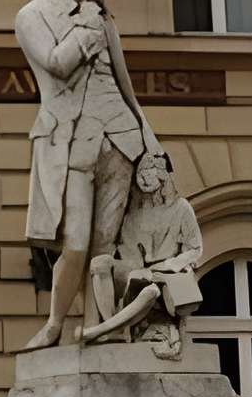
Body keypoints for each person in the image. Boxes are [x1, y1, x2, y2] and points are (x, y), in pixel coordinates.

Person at [17, 0, 152, 349]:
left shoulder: (101, 17)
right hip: (71, 140)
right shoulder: (33, 15)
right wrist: (86, 31)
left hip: (120, 137)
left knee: (105, 246)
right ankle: (55, 323)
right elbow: (56, 64)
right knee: (75, 242)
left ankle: (98, 328)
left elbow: (125, 85)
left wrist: (150, 139)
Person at [83, 145, 205, 355]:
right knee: (100, 264)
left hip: (167, 274)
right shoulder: (133, 215)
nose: (145, 176)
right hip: (137, 271)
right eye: (141, 171)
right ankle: (114, 328)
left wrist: (166, 266)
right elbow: (128, 253)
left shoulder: (181, 207)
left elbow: (195, 249)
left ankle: (105, 330)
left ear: (164, 175)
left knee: (150, 291)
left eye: (151, 169)